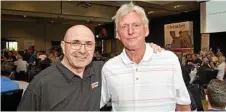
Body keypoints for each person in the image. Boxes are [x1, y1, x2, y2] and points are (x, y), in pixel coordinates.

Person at [17, 24, 162, 111]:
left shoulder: (101, 70)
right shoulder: (41, 84)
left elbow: (133, 65)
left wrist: (147, 49)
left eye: (88, 44)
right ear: (63, 46)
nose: (82, 50)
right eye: (75, 43)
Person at [101, 3, 191, 111]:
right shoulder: (109, 68)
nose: (130, 31)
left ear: (146, 30)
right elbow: (91, 104)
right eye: (124, 26)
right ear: (118, 34)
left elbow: (182, 105)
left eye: (136, 25)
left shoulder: (169, 60)